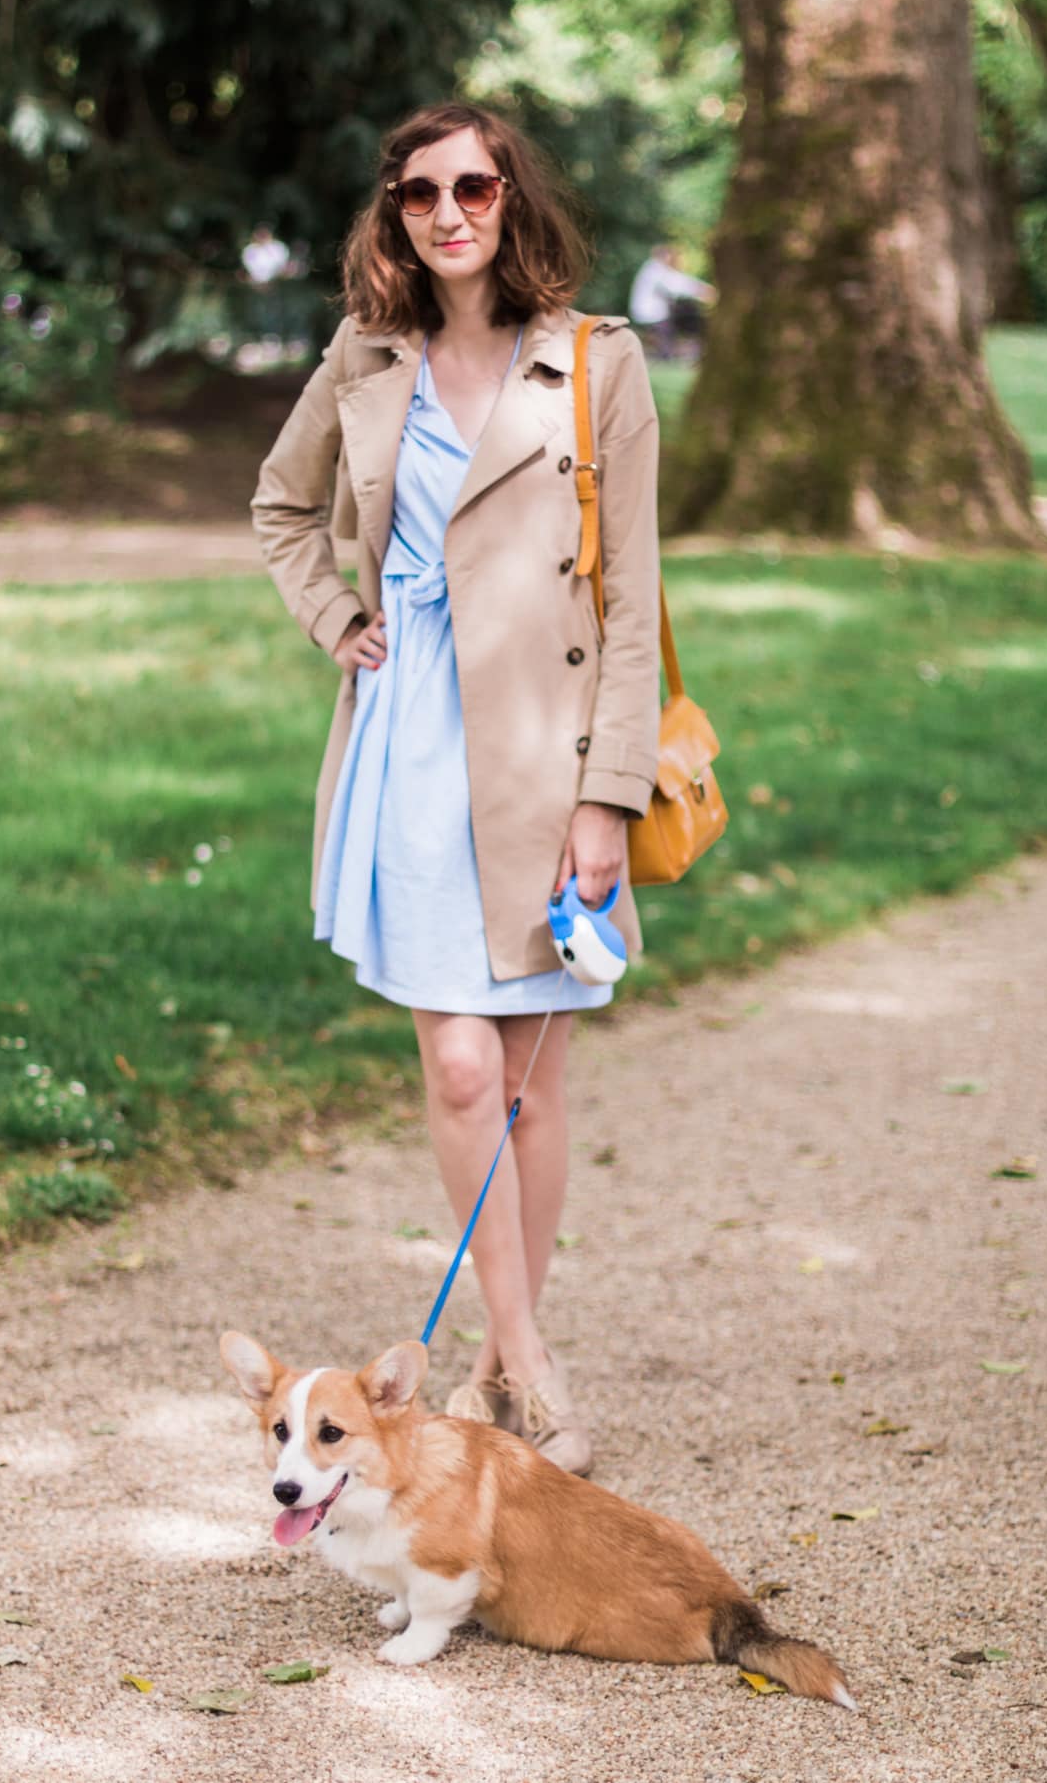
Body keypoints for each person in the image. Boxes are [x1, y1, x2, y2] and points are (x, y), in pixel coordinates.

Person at [251, 102, 661, 1474]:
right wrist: (336, 618)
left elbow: (633, 600)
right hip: (413, 742)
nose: (447, 212)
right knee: (464, 1060)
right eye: (419, 192)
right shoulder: (366, 358)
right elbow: (280, 507)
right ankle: (530, 1360)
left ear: (510, 198)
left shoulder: (596, 360)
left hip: (550, 750)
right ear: (395, 214)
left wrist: (607, 797)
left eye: (473, 186)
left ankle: (497, 1355)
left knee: (531, 1081)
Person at [628, 242, 715, 361]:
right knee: (691, 314)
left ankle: (684, 350)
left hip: (652, 312)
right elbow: (676, 286)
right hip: (651, 313)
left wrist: (703, 289)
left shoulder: (655, 268)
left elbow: (680, 281)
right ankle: (674, 353)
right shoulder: (656, 270)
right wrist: (703, 291)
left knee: (687, 311)